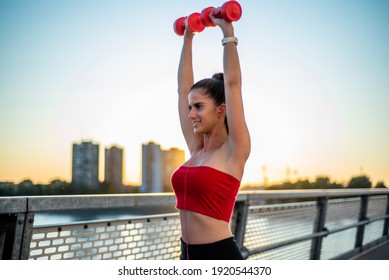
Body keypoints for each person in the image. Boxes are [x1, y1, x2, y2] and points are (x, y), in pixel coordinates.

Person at [171, 12, 251, 260]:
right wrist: (188, 37)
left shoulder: (234, 150)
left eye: (198, 107)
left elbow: (233, 85)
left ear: (221, 110)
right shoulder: (196, 148)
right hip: (187, 255)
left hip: (219, 256)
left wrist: (228, 33)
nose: (191, 114)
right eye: (189, 107)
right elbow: (183, 88)